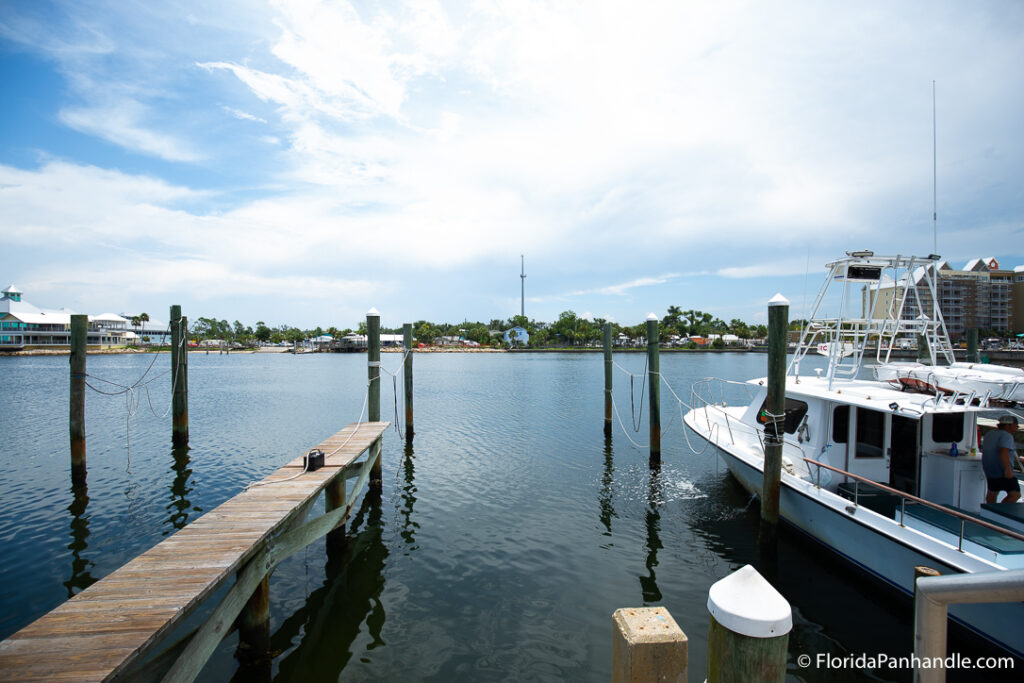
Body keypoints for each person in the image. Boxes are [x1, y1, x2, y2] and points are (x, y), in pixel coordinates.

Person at [982, 415, 1021, 503]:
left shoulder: (990, 433)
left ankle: (990, 513)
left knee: (992, 493)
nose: (1017, 427)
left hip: (989, 470)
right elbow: (1003, 451)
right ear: (1008, 425)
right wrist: (1007, 469)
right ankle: (1000, 511)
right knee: (1015, 494)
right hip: (1002, 471)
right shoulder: (1007, 436)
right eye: (1016, 424)